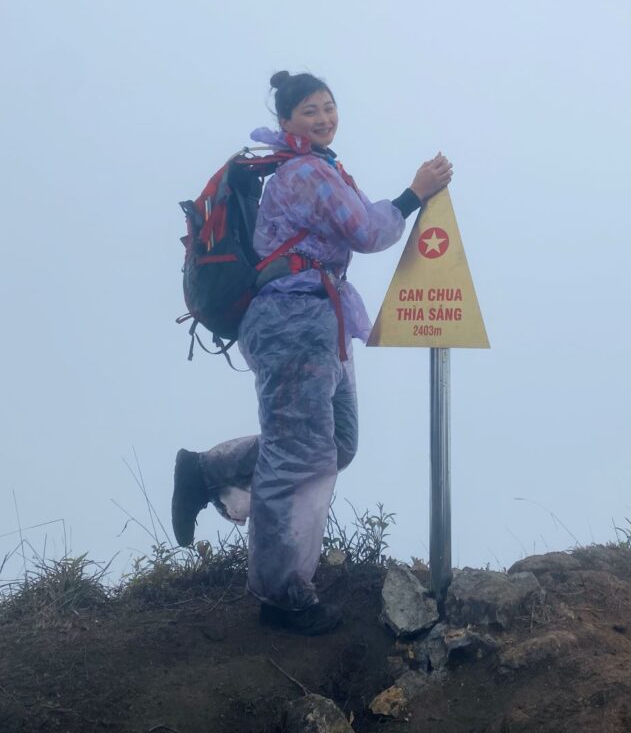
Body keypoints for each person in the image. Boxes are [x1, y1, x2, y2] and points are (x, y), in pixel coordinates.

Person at [171, 70, 452, 635]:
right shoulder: (303, 172)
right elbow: (366, 231)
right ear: (286, 122)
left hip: (322, 318)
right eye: (309, 111)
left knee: (335, 444)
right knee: (299, 454)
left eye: (328, 107)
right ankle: (281, 598)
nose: (323, 118)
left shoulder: (315, 165)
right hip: (292, 322)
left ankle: (207, 470)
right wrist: (414, 192)